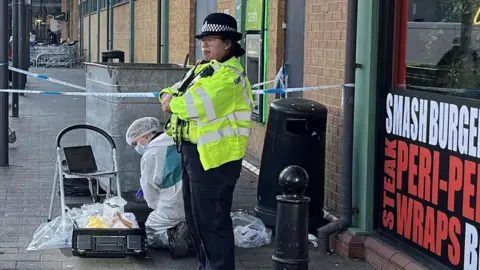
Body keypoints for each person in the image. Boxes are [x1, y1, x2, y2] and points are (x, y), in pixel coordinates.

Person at [159, 13, 253, 270]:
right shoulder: (204, 69)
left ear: (228, 43)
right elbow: (171, 89)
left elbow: (194, 105)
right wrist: (168, 96)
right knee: (197, 220)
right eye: (203, 40)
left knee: (212, 224)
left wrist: (171, 103)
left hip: (215, 161)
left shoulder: (229, 77)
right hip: (195, 154)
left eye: (211, 39)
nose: (205, 44)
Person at [125, 117, 191, 257]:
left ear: (144, 136)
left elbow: (150, 190)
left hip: (172, 204)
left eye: (136, 143)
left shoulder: (151, 154)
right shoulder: (176, 140)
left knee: (150, 231)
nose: (137, 147)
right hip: (193, 197)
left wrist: (155, 206)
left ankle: (176, 238)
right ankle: (191, 229)